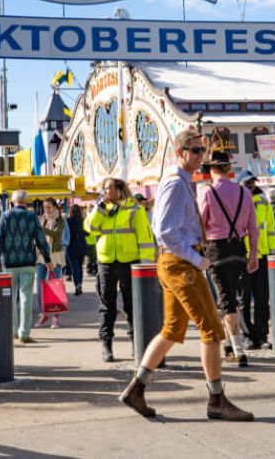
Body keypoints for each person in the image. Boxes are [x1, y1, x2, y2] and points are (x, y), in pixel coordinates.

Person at [118, 130, 253, 422]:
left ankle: (137, 388)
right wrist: (196, 258)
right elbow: (164, 229)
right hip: (181, 263)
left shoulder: (180, 182)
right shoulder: (177, 184)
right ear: (180, 152)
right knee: (213, 331)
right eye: (194, 150)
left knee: (172, 330)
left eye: (201, 151)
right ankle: (216, 399)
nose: (200, 156)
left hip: (176, 261)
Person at [84, 177, 155, 362]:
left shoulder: (135, 209)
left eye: (107, 189)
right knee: (106, 305)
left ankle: (136, 343)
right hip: (106, 261)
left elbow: (145, 237)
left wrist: (146, 264)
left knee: (132, 305)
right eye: (103, 189)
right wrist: (99, 209)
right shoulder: (101, 208)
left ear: (119, 189)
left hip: (129, 262)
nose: (105, 192)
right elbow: (90, 228)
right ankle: (106, 345)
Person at [198, 151, 258, 367]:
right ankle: (229, 346)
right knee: (231, 297)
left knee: (226, 302)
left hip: (217, 250)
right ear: (229, 169)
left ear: (211, 169)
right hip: (239, 249)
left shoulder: (207, 192)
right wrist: (253, 253)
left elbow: (200, 226)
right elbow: (253, 227)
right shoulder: (244, 193)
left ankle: (239, 351)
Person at [0, 190, 53, 342]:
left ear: (12, 201)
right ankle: (25, 333)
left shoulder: (6, 215)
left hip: (8, 264)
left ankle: (13, 331)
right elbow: (40, 239)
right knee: (26, 298)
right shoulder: (32, 216)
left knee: (9, 299)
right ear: (26, 201)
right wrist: (47, 258)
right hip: (27, 263)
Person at [237, 170, 275, 350]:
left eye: (252, 183)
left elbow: (270, 230)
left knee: (262, 298)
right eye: (247, 183)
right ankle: (246, 336)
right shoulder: (235, 201)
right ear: (239, 184)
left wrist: (274, 254)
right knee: (243, 299)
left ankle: (261, 335)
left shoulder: (263, 201)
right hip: (242, 258)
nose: (251, 186)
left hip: (262, 256)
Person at [37, 198, 66, 328]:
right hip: (41, 257)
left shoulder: (60, 220)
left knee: (54, 287)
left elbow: (57, 234)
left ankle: (55, 317)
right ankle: (44, 313)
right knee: (40, 288)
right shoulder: (41, 219)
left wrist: (41, 229)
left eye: (49, 207)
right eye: (45, 207)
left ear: (55, 207)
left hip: (54, 256)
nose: (46, 209)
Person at [64, 204, 88, 296]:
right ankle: (80, 285)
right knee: (80, 267)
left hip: (71, 246)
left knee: (74, 268)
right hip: (81, 246)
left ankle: (77, 285)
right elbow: (87, 233)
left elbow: (66, 233)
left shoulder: (68, 221)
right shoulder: (83, 221)